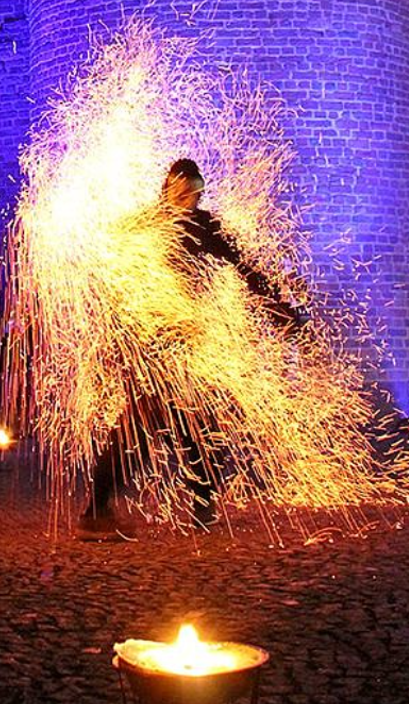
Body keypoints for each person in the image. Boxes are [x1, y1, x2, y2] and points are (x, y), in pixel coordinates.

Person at [77, 159, 300, 538]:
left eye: (194, 193)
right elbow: (110, 264)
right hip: (151, 347)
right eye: (182, 192)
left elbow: (245, 268)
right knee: (152, 424)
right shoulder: (145, 226)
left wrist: (281, 311)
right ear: (169, 189)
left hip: (182, 344)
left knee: (191, 421)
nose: (189, 200)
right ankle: (102, 512)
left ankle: (198, 503)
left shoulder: (204, 226)